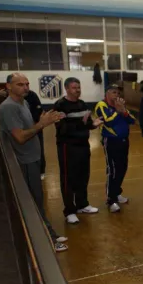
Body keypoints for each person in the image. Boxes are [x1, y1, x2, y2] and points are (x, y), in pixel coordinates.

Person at [0, 73, 68, 252]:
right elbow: (20, 137)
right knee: (33, 203)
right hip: (25, 161)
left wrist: (44, 121)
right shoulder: (9, 107)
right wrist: (42, 124)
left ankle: (49, 232)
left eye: (27, 84)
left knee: (38, 201)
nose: (26, 87)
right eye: (20, 84)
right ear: (8, 86)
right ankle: (47, 241)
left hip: (33, 158)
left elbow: (29, 128)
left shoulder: (24, 103)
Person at [53, 77, 103, 225]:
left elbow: (87, 124)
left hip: (83, 146)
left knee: (83, 176)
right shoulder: (60, 105)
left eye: (79, 87)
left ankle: (82, 204)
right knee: (68, 179)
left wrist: (93, 124)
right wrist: (81, 125)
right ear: (67, 89)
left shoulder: (82, 104)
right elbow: (61, 128)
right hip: (67, 147)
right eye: (74, 88)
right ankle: (70, 211)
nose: (77, 90)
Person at [94, 84, 136, 213]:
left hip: (124, 141)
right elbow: (108, 122)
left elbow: (132, 120)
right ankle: (111, 199)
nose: (116, 95)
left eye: (118, 93)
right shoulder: (101, 105)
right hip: (111, 141)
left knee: (122, 168)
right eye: (113, 92)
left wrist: (123, 111)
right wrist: (118, 111)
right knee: (113, 169)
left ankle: (117, 192)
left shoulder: (119, 106)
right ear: (107, 93)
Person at [24, 88, 46, 178]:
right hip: (22, 130)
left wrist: (36, 125)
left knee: (39, 148)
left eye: (27, 84)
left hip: (36, 127)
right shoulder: (11, 102)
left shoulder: (32, 95)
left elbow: (39, 112)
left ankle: (41, 171)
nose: (25, 87)